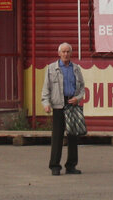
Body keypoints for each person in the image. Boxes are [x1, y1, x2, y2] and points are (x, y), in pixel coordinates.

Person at [40, 41, 84, 175]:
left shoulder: (76, 68)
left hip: (72, 104)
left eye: (68, 51)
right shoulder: (51, 68)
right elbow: (46, 88)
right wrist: (46, 103)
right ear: (59, 53)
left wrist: (78, 98)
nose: (65, 54)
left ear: (71, 53)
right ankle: (55, 166)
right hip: (58, 104)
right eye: (63, 52)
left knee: (72, 136)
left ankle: (71, 166)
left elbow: (82, 87)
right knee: (57, 136)